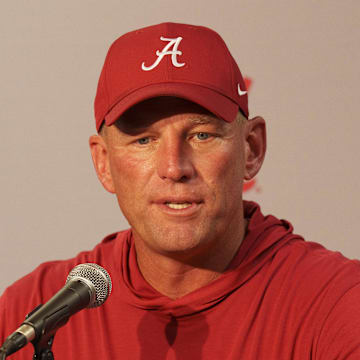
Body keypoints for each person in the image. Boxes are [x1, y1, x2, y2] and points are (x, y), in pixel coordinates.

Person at [1, 22, 360, 359]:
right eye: (143, 140)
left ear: (251, 149)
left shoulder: (338, 304)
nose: (174, 167)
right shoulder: (33, 311)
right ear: (104, 162)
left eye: (201, 135)